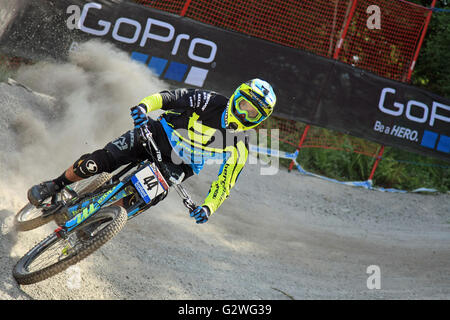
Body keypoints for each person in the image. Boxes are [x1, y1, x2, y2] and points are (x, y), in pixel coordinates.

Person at [27, 79, 277, 224]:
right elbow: (169, 97)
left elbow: (224, 185)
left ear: (260, 119)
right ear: (237, 97)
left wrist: (209, 208)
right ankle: (55, 185)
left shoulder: (240, 146)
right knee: (95, 163)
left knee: (146, 195)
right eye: (244, 105)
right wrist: (144, 107)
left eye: (253, 113)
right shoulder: (209, 100)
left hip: (179, 165)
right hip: (154, 135)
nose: (245, 113)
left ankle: (100, 220)